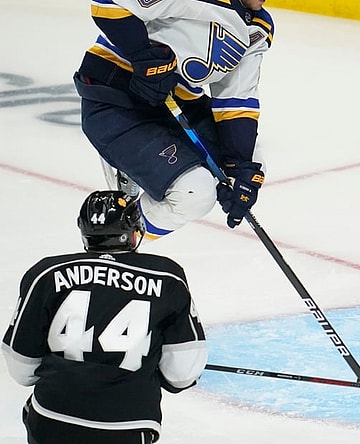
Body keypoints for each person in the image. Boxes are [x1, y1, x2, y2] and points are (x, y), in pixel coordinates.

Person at [2, 190, 208, 444]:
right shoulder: (168, 277)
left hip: (53, 417)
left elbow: (22, 369)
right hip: (128, 423)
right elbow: (182, 374)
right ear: (133, 232)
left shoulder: (46, 273)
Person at [73, 0, 273, 239]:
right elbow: (107, 3)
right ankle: (114, 240)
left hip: (177, 107)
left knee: (251, 161)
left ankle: (131, 232)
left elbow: (236, 98)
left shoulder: (259, 26)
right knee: (195, 193)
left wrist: (238, 167)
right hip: (116, 99)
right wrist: (142, 55)